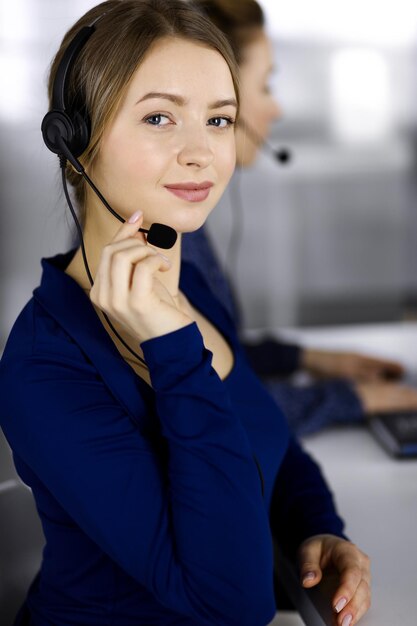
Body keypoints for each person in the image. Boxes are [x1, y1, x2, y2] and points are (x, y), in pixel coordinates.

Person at [0, 1, 371, 625]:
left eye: (219, 119)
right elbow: (231, 605)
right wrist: (172, 344)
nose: (202, 152)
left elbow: (269, 441)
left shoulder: (188, 283)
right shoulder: (45, 366)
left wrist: (317, 528)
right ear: (74, 141)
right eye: (159, 117)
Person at [183, 0, 417, 436]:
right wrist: (349, 398)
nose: (277, 110)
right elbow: (209, 402)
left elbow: (210, 357)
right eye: (266, 85)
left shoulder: (183, 228)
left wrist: (306, 360)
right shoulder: (160, 234)